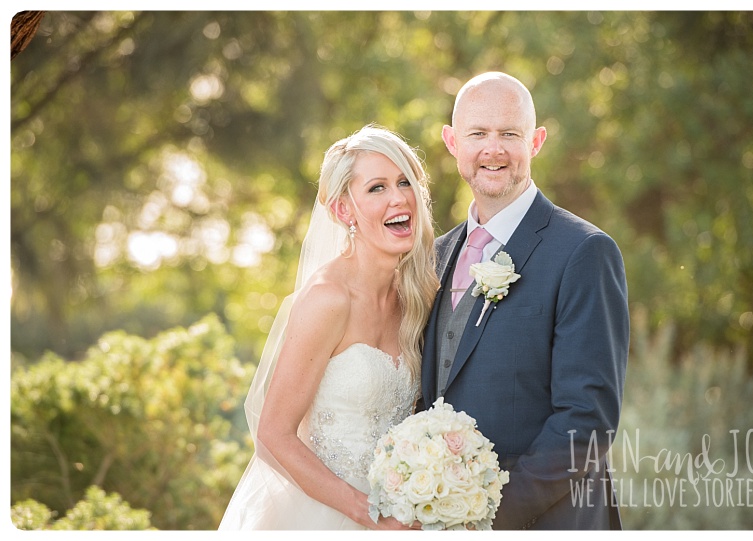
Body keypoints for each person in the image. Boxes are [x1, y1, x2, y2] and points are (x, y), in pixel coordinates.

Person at [419, 72, 629, 529]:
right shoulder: (433, 257)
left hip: (549, 522)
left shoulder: (584, 252)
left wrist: (488, 514)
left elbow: (587, 421)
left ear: (535, 141)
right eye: (478, 133)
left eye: (509, 134)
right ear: (452, 141)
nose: (493, 149)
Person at [219, 125, 439, 530]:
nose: (398, 198)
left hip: (405, 511)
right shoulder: (327, 299)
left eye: (405, 181)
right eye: (377, 188)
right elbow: (273, 434)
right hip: (326, 514)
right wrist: (368, 515)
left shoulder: (418, 295)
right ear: (343, 211)